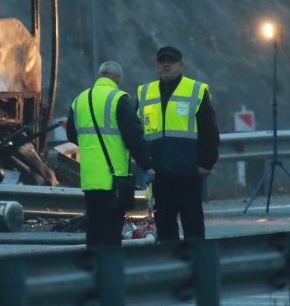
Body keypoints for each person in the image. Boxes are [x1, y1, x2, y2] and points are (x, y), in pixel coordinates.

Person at [137, 45, 218, 244]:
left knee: (193, 223)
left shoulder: (196, 90)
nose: (166, 65)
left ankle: (197, 266)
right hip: (159, 172)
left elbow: (210, 130)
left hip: (188, 171)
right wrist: (146, 163)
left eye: (171, 61)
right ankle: (170, 267)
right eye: (162, 61)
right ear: (156, 66)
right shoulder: (144, 92)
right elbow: (138, 130)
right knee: (165, 226)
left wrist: (206, 163)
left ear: (180, 65)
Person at [66, 61, 149, 247]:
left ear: (99, 76)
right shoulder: (119, 98)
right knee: (111, 231)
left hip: (89, 177)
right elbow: (133, 136)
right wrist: (148, 164)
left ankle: (94, 270)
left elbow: (72, 134)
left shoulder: (80, 99)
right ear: (118, 78)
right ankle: (110, 272)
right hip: (114, 177)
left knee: (94, 227)